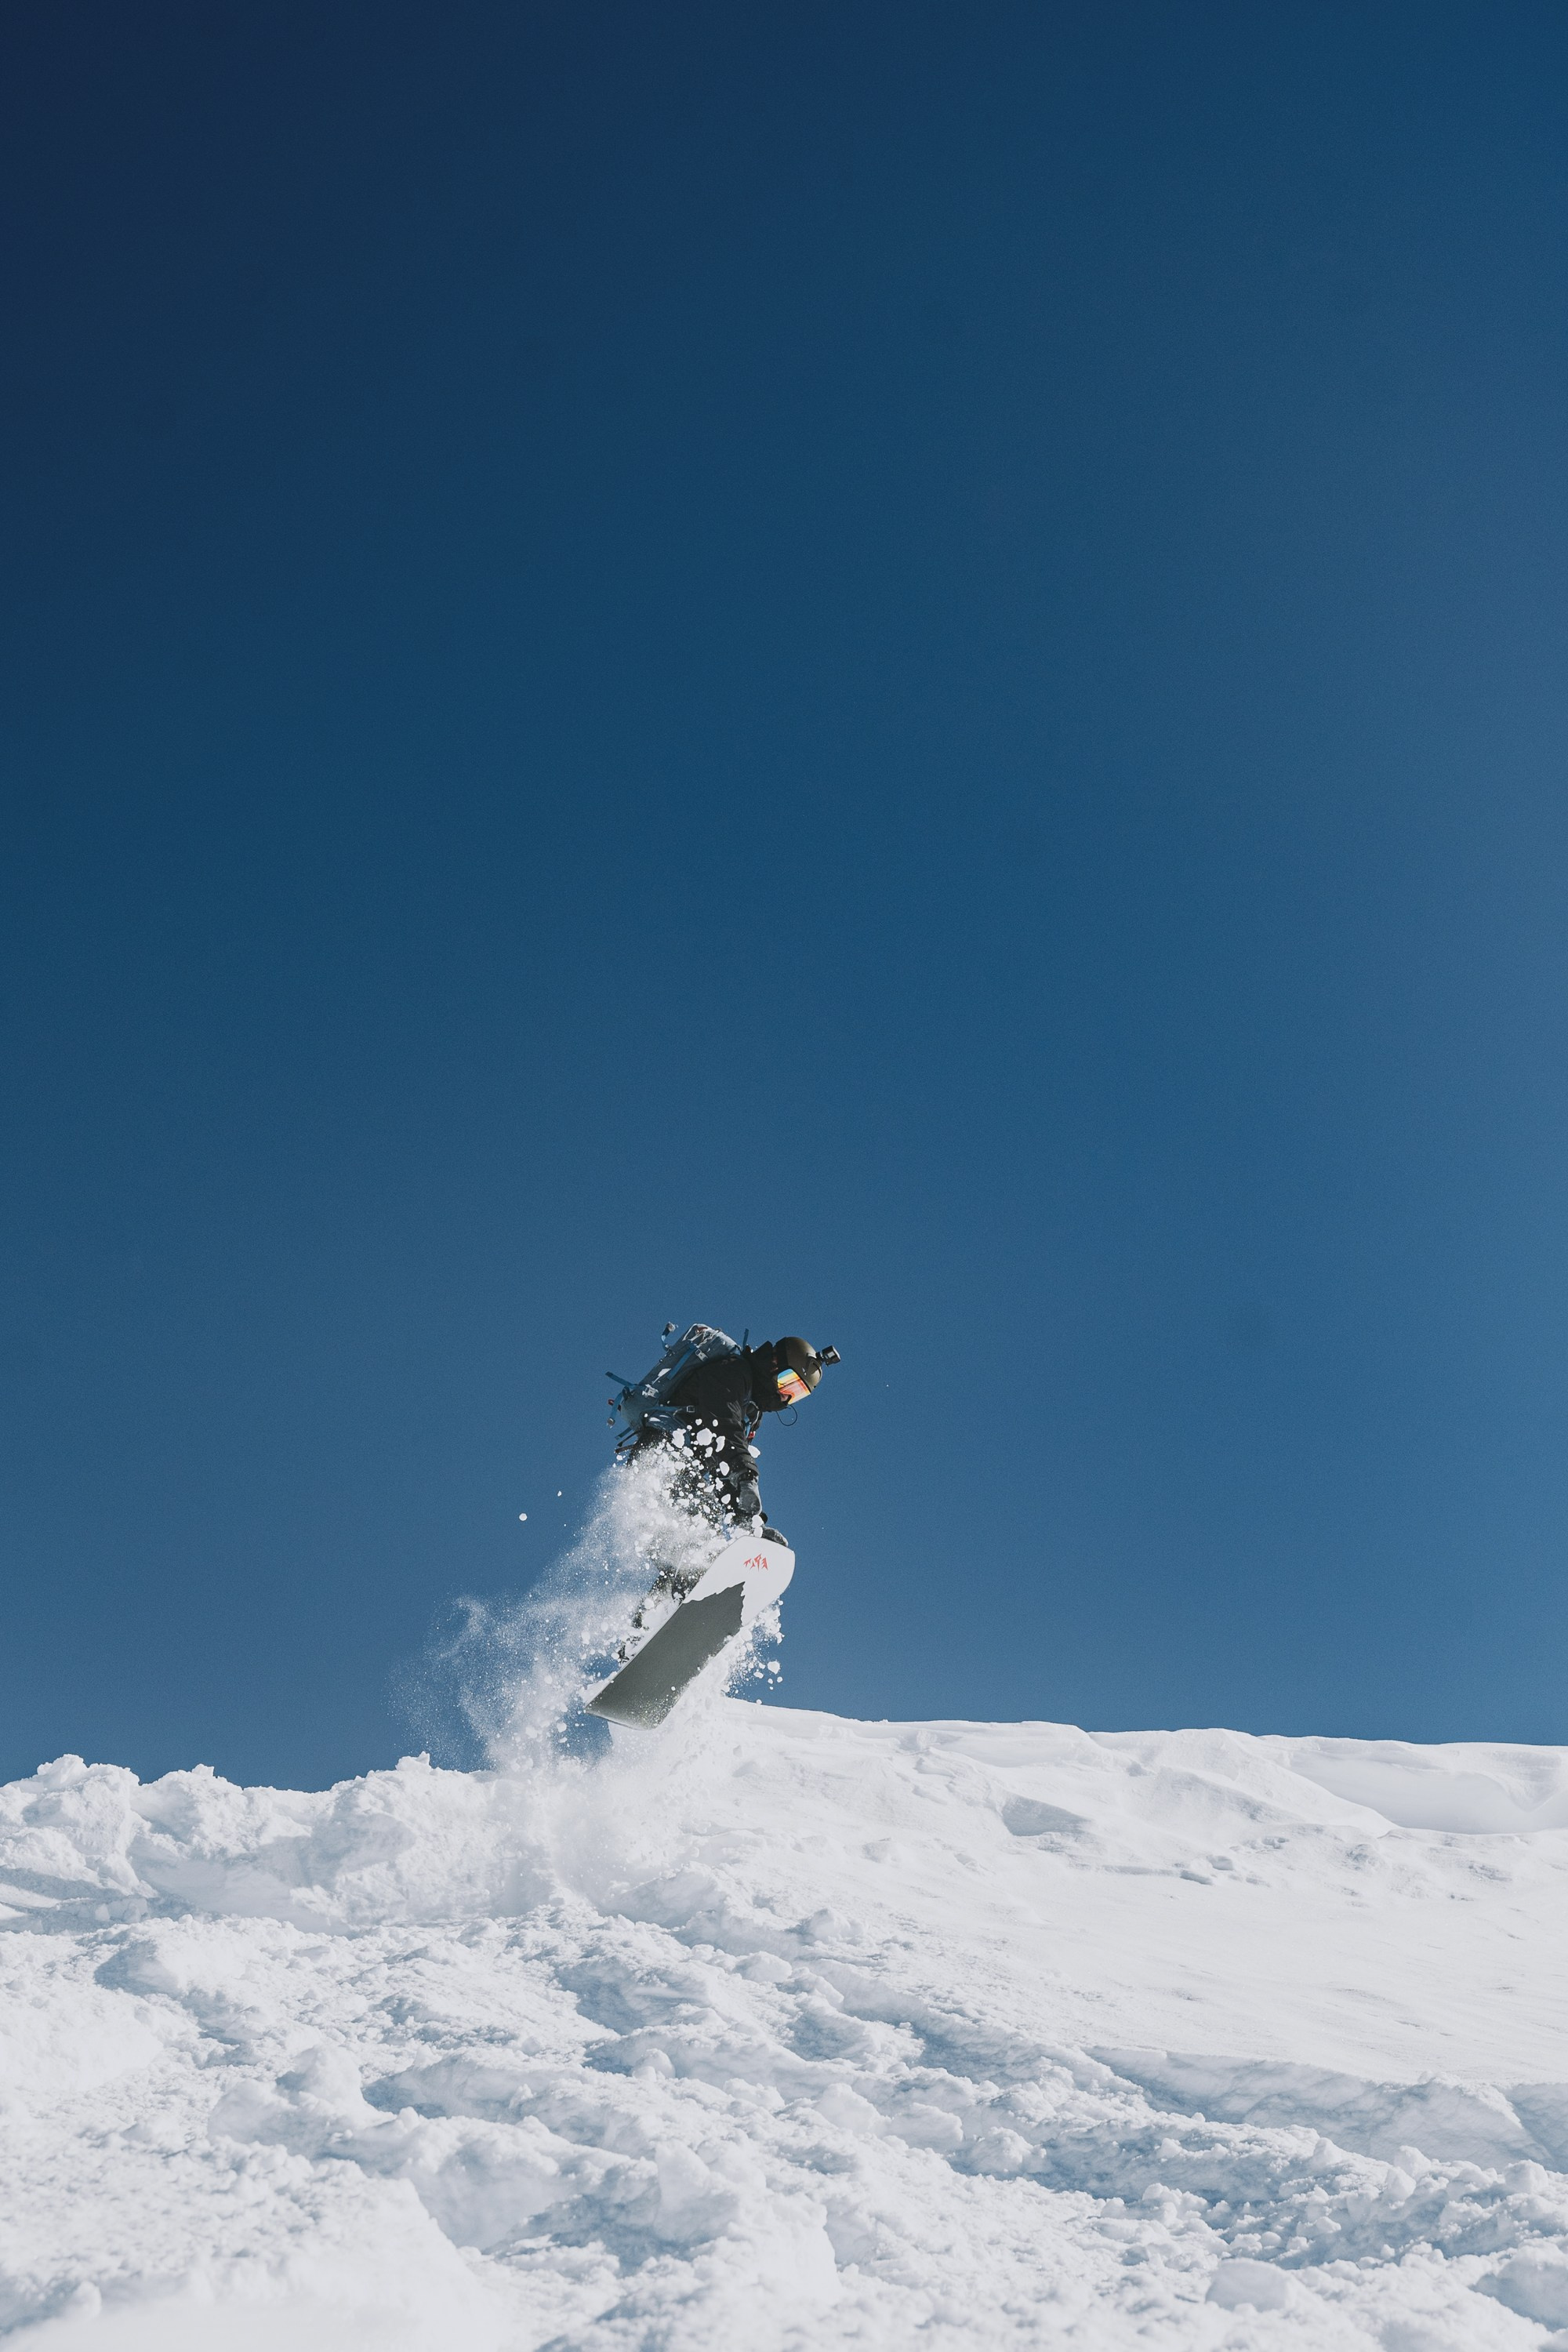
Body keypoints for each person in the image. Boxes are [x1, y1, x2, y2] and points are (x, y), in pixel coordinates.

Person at [625, 1334, 837, 1580]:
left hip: (673, 1468)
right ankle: (682, 1588)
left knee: (690, 1543)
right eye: (786, 1382)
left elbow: (721, 1467)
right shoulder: (733, 1374)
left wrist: (749, 1522)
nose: (784, 1396)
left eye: (795, 1392)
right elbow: (722, 1425)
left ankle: (661, 1606)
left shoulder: (749, 1409)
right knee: (699, 1526)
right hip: (661, 1458)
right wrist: (746, 1475)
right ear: (773, 1364)